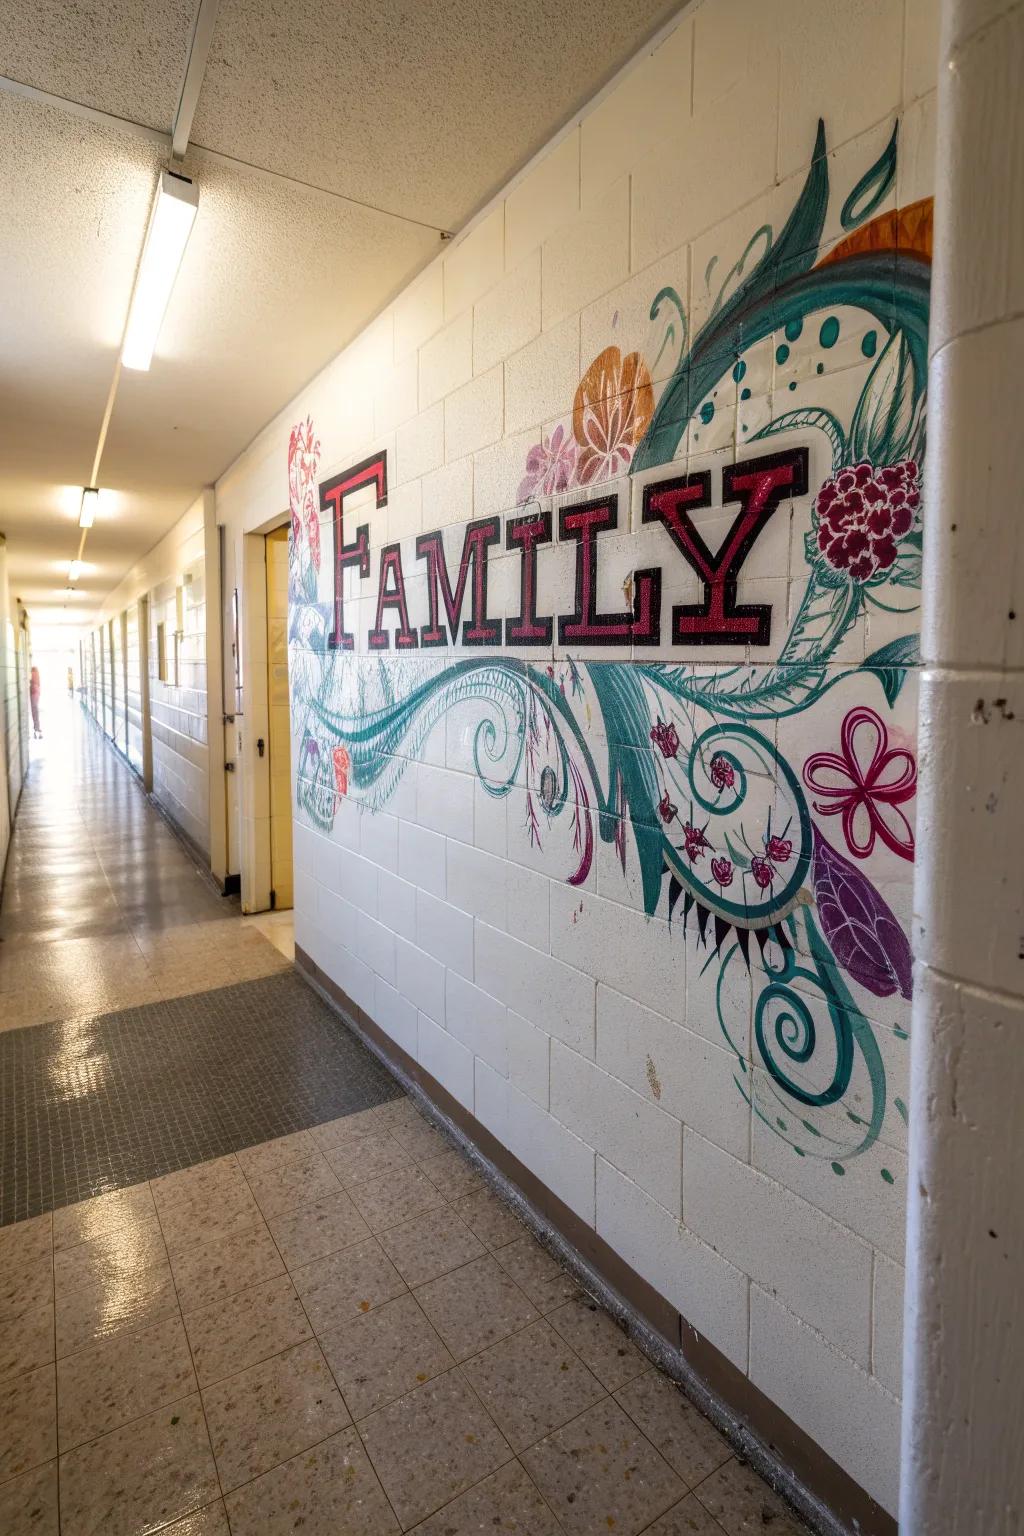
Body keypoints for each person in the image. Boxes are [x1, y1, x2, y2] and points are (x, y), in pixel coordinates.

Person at [29, 666, 42, 738]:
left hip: (34, 694)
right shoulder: (37, 678)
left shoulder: (34, 676)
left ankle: (37, 727)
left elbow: (33, 687)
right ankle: (37, 726)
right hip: (36, 694)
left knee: (35, 712)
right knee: (35, 711)